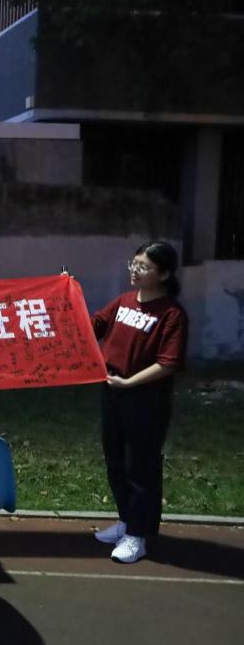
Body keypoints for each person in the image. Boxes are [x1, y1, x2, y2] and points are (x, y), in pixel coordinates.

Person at [90, 241, 188, 564]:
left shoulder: (172, 315)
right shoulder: (124, 302)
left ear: (164, 274)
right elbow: (92, 326)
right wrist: (66, 294)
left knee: (140, 467)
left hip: (145, 399)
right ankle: (125, 520)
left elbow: (168, 363)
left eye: (143, 266)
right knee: (115, 460)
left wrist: (130, 382)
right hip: (113, 391)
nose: (135, 270)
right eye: (133, 264)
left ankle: (138, 535)